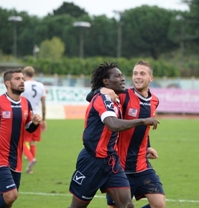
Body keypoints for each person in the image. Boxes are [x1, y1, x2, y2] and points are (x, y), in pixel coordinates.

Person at [68, 62, 160, 208]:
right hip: (92, 161)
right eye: (118, 76)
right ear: (106, 81)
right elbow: (113, 124)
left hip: (111, 162)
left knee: (127, 205)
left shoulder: (116, 100)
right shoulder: (102, 98)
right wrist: (143, 121)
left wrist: (147, 145)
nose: (123, 79)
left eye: (123, 76)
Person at [0, 69, 42, 208]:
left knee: (8, 200)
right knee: (11, 195)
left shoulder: (26, 103)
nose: (22, 81)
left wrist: (35, 123)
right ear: (8, 83)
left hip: (16, 158)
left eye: (22, 78)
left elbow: (28, 127)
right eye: (17, 79)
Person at [21, 66, 47, 174]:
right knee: (32, 142)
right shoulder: (40, 86)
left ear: (24, 74)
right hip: (37, 115)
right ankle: (30, 169)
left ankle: (31, 159)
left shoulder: (23, 85)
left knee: (21, 141)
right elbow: (43, 104)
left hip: (26, 115)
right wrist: (44, 119)